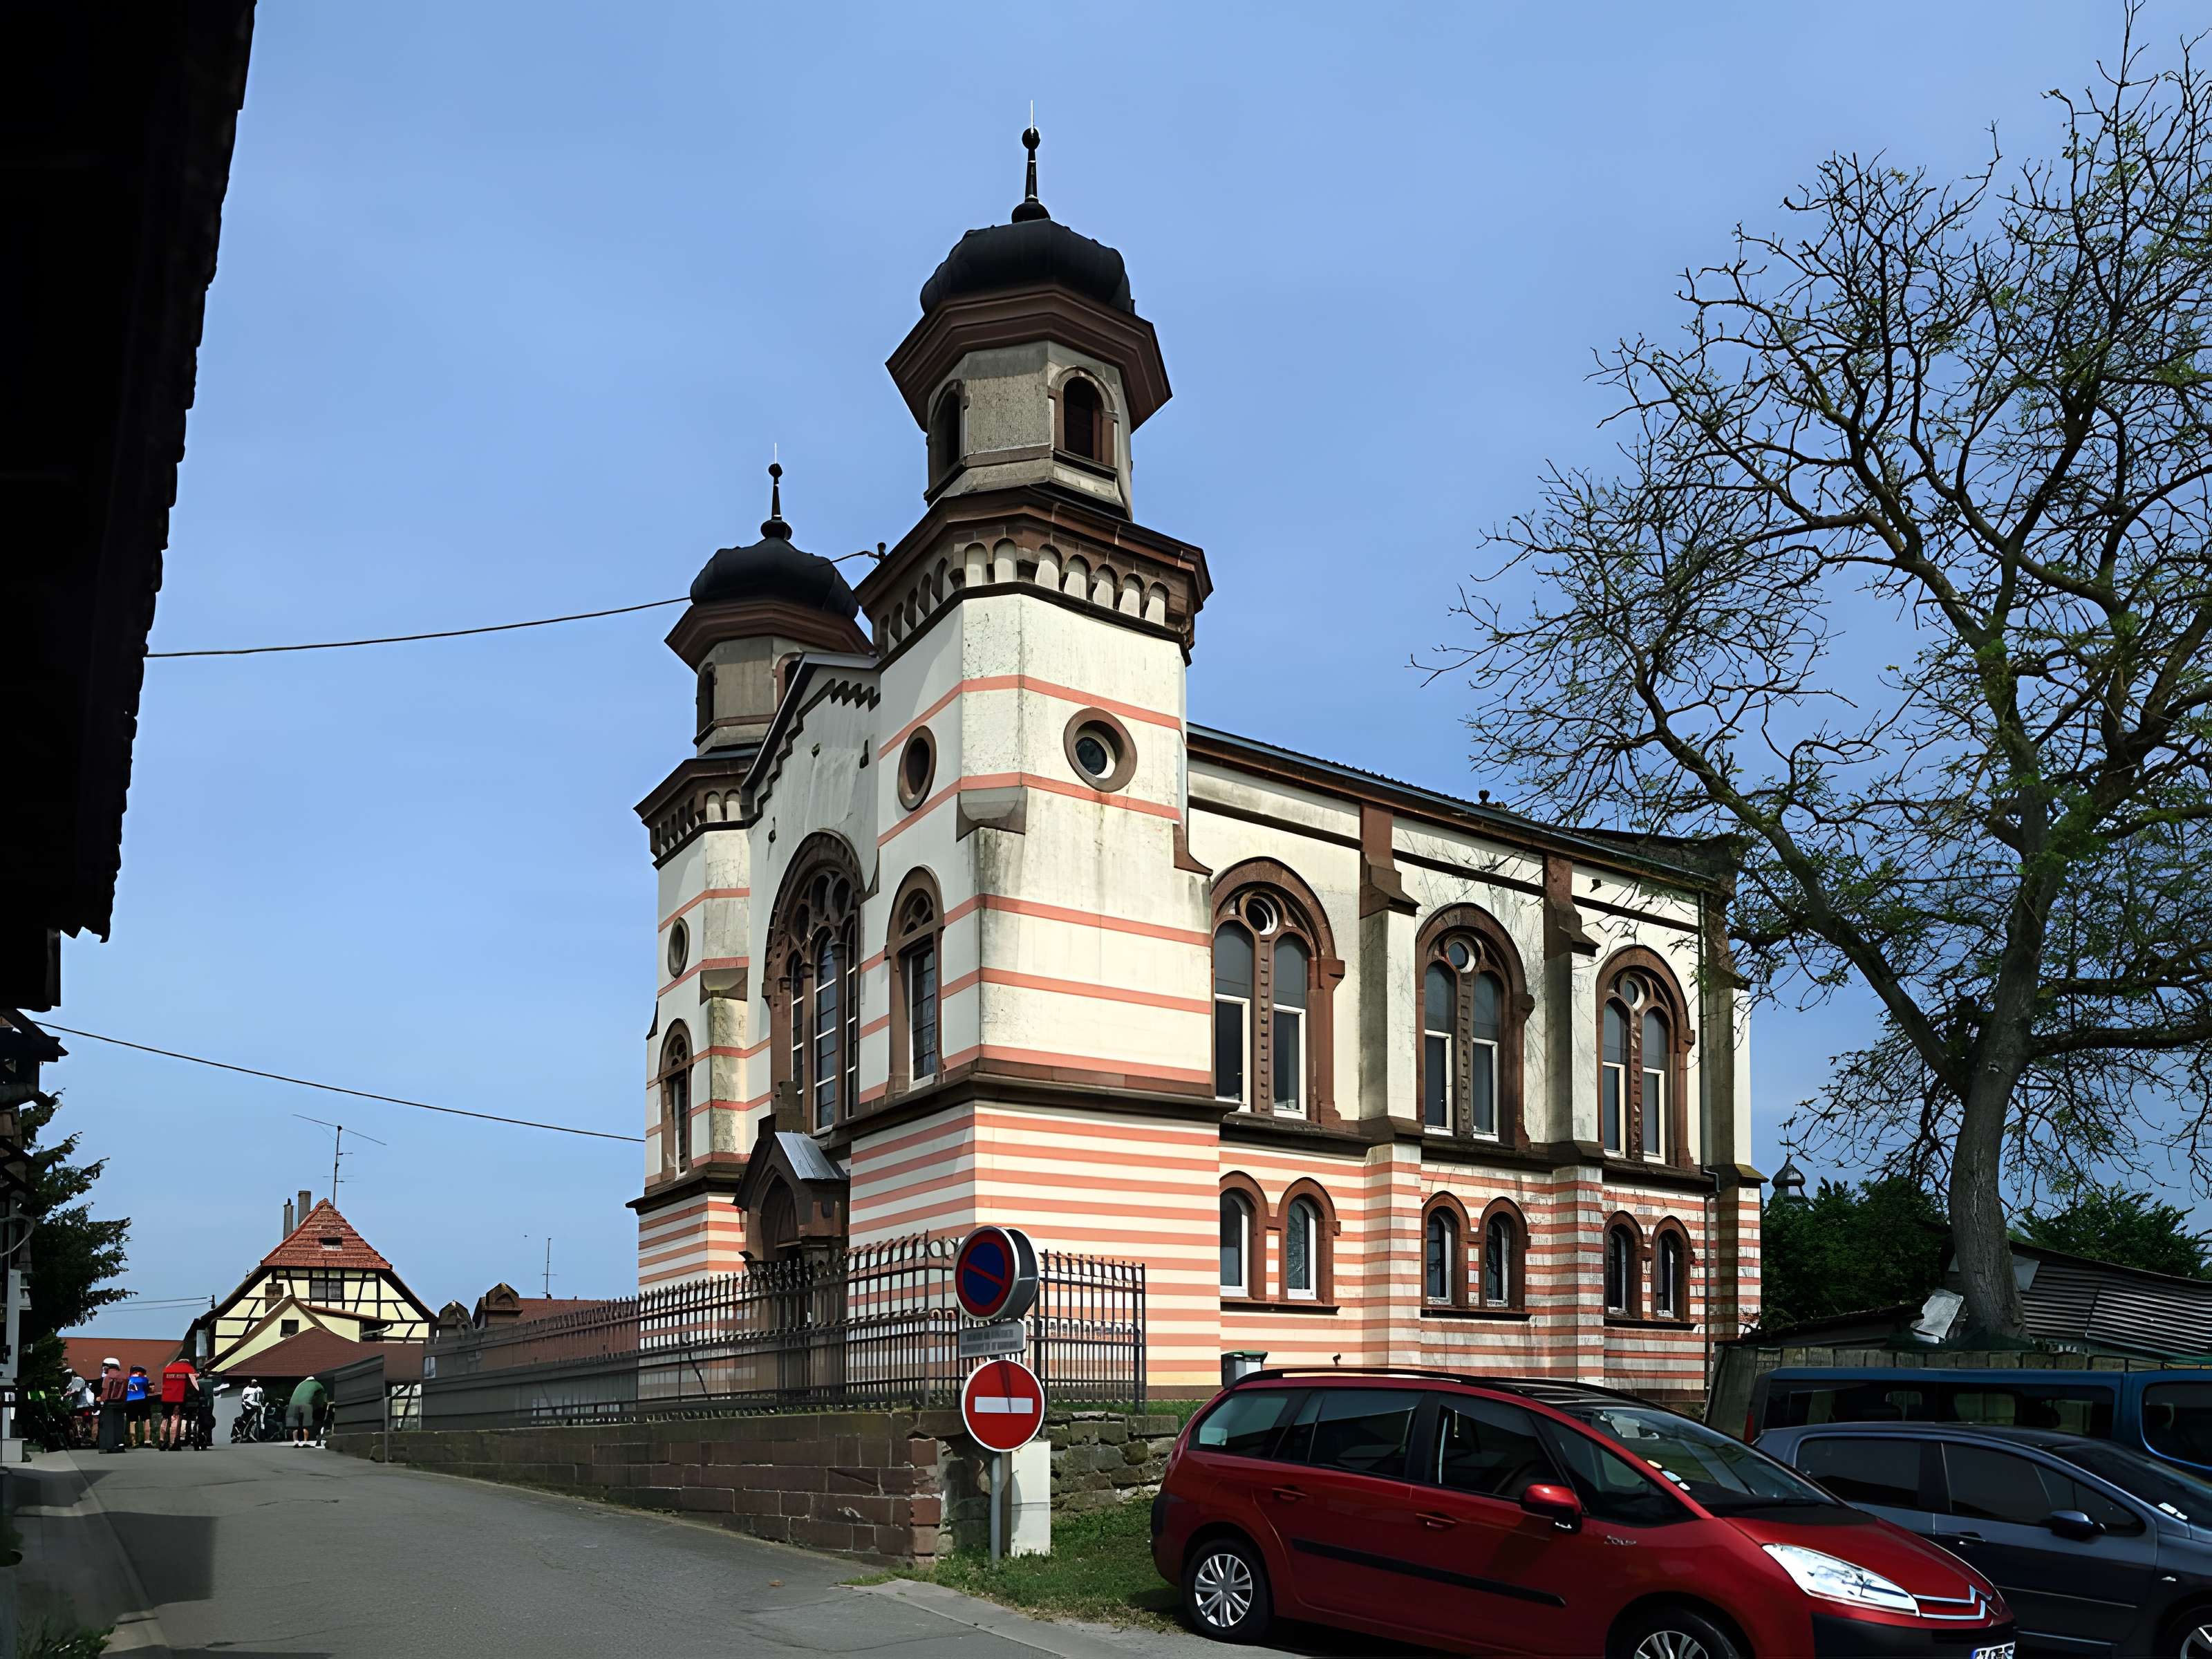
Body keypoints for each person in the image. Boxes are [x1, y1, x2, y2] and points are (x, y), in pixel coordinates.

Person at [159, 1353, 198, 1450]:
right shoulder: (189, 1369)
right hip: (179, 1397)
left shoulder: (168, 1368)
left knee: (165, 1418)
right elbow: (193, 1384)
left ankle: (161, 1440)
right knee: (175, 1418)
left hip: (166, 1397)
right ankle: (173, 1443)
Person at [286, 1373, 328, 1447]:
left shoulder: (300, 1385)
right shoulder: (318, 1386)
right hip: (306, 1406)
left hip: (293, 1406)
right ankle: (305, 1441)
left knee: (296, 1425)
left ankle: (296, 1441)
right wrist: (319, 1407)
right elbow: (320, 1401)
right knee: (306, 1425)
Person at [97, 1358, 129, 1453]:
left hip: (109, 1404)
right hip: (121, 1404)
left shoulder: (107, 1377)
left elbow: (105, 1393)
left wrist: (101, 1401)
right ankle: (120, 1444)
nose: (104, 1369)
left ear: (110, 1366)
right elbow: (126, 1392)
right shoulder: (125, 1376)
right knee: (119, 1424)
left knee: (107, 1425)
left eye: (105, 1366)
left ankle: (108, 1445)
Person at [124, 1363, 151, 1447]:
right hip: (142, 1400)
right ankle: (147, 1441)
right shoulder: (144, 1379)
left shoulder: (127, 1380)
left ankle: (134, 1442)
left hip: (130, 1401)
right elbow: (147, 1389)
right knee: (146, 1419)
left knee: (133, 1421)